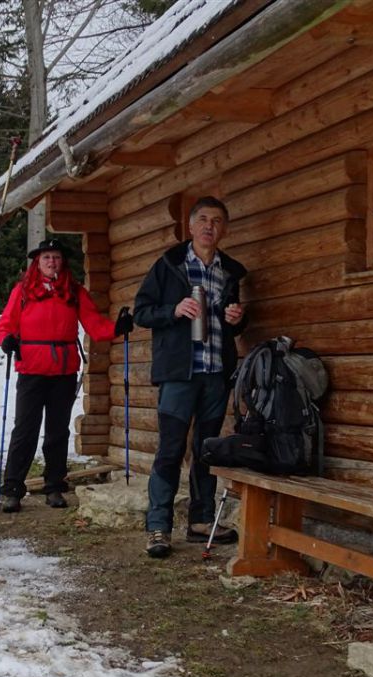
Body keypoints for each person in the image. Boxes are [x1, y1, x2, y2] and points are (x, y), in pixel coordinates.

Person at [133, 196, 248, 559]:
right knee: (170, 448)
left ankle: (201, 520)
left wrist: (237, 319)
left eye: (216, 220)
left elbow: (235, 324)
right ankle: (158, 527)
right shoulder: (168, 265)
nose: (209, 226)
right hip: (178, 374)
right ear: (191, 226)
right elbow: (142, 312)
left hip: (215, 373)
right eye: (202, 219)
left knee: (207, 449)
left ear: (223, 229)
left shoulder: (229, 271)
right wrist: (174, 309)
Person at [0, 237, 129, 513]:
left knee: (57, 432)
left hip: (63, 371)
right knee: (25, 431)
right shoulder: (22, 291)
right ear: (37, 262)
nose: (52, 262)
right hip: (31, 369)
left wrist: (118, 328)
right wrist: (7, 339)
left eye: (56, 257)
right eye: (46, 258)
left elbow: (95, 324)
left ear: (62, 261)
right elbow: (6, 324)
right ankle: (12, 489)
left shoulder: (74, 291)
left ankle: (55, 487)